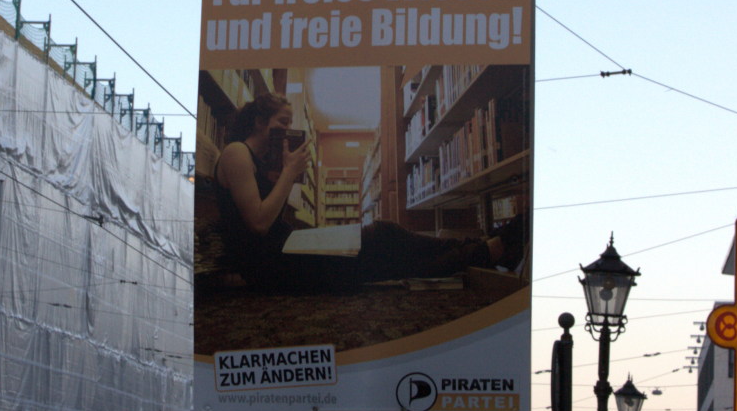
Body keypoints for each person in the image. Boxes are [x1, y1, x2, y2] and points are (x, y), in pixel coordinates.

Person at [212, 93, 519, 293]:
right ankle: (484, 251)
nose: (287, 130)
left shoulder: (260, 162)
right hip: (271, 267)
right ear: (259, 122)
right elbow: (259, 224)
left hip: (285, 251)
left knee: (387, 239)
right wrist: (289, 174)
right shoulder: (237, 153)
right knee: (384, 249)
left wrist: (281, 175)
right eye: (282, 123)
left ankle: (480, 248)